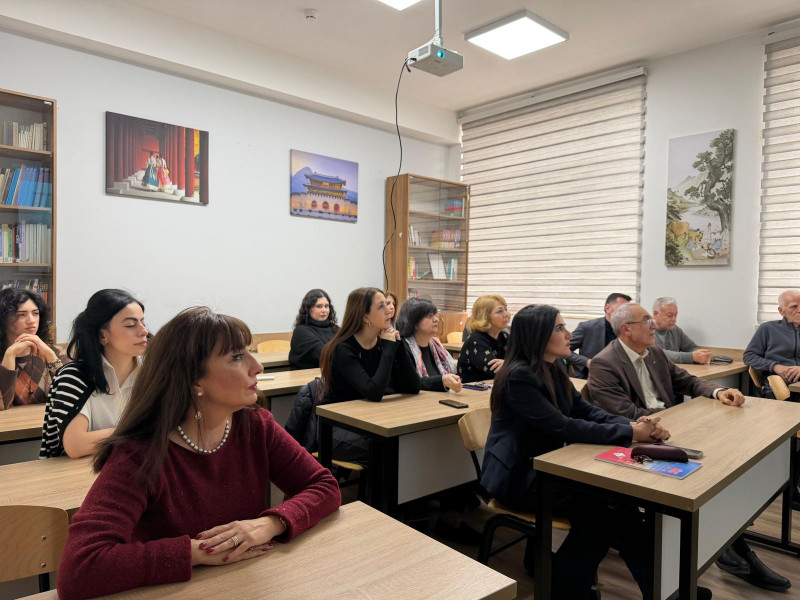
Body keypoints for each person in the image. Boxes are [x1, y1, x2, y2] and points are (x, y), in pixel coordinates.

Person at [56, 307, 341, 599]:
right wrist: (197, 552)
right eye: (237, 357)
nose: (258, 367)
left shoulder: (255, 424)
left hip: (244, 586)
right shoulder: (138, 454)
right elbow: (79, 569)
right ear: (194, 381)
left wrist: (270, 523)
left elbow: (324, 486)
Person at [588, 302, 790, 594]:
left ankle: (732, 549)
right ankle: (731, 553)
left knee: (726, 466)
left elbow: (687, 380)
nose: (653, 325)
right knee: (710, 475)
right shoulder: (605, 363)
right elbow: (625, 414)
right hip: (639, 444)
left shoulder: (654, 352)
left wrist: (719, 391)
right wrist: (671, 424)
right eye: (647, 320)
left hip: (670, 431)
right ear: (626, 329)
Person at [480, 304, 670, 599]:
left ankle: (661, 589)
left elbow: (585, 411)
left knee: (620, 505)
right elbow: (563, 427)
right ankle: (569, 587)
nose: (569, 334)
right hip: (519, 478)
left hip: (547, 468)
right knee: (604, 512)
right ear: (537, 336)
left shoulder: (552, 367)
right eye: (559, 328)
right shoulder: (518, 377)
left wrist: (633, 423)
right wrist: (632, 433)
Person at [39, 289, 148, 459]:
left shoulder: (152, 373)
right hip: (74, 477)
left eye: (143, 322)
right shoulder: (75, 376)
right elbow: (76, 445)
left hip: (133, 468)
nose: (143, 331)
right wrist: (140, 430)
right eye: (130, 325)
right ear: (103, 335)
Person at [319, 287, 420, 463]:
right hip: (339, 426)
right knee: (390, 449)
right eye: (382, 306)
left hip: (373, 420)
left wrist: (399, 345)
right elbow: (373, 393)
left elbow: (412, 386)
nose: (390, 309)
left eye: (388, 304)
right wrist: (389, 351)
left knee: (408, 442)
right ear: (366, 317)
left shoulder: (384, 341)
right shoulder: (344, 349)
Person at [0, 288, 68, 410]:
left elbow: (73, 394)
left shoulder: (56, 352)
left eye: (35, 313)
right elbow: (2, 406)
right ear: (3, 319)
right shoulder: (5, 355)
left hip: (48, 427)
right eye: (21, 314)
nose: (31, 320)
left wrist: (50, 354)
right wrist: (10, 354)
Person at [396, 298, 461, 392]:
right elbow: (411, 383)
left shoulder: (437, 346)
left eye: (434, 315)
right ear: (414, 322)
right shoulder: (402, 348)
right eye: (430, 316)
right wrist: (442, 381)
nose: (436, 320)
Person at [564, 292, 631, 378]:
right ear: (608, 308)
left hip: (621, 377)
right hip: (592, 376)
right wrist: (587, 362)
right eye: (622, 308)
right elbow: (563, 350)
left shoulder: (628, 329)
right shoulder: (587, 327)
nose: (626, 313)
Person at [744, 289, 800, 388]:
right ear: (781, 311)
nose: (799, 310)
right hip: (777, 381)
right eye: (794, 306)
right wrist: (775, 366)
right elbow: (749, 356)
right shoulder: (767, 328)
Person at [457, 295, 510, 383]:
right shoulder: (476, 340)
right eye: (500, 311)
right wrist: (510, 364)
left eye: (506, 309)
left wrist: (507, 364)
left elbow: (524, 360)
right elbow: (496, 371)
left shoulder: (504, 336)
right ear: (485, 317)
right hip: (471, 392)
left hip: (493, 389)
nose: (506, 314)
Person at [288, 288, 339, 370]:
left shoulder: (335, 328)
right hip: (306, 378)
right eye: (319, 306)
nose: (324, 310)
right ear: (308, 309)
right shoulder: (301, 331)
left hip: (331, 374)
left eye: (326, 306)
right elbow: (324, 354)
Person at [652, 297, 712, 364]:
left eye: (675, 315)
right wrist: (690, 357)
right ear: (655, 314)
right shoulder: (646, 330)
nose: (674, 319)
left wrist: (701, 354)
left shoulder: (675, 330)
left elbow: (691, 347)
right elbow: (657, 354)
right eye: (669, 315)